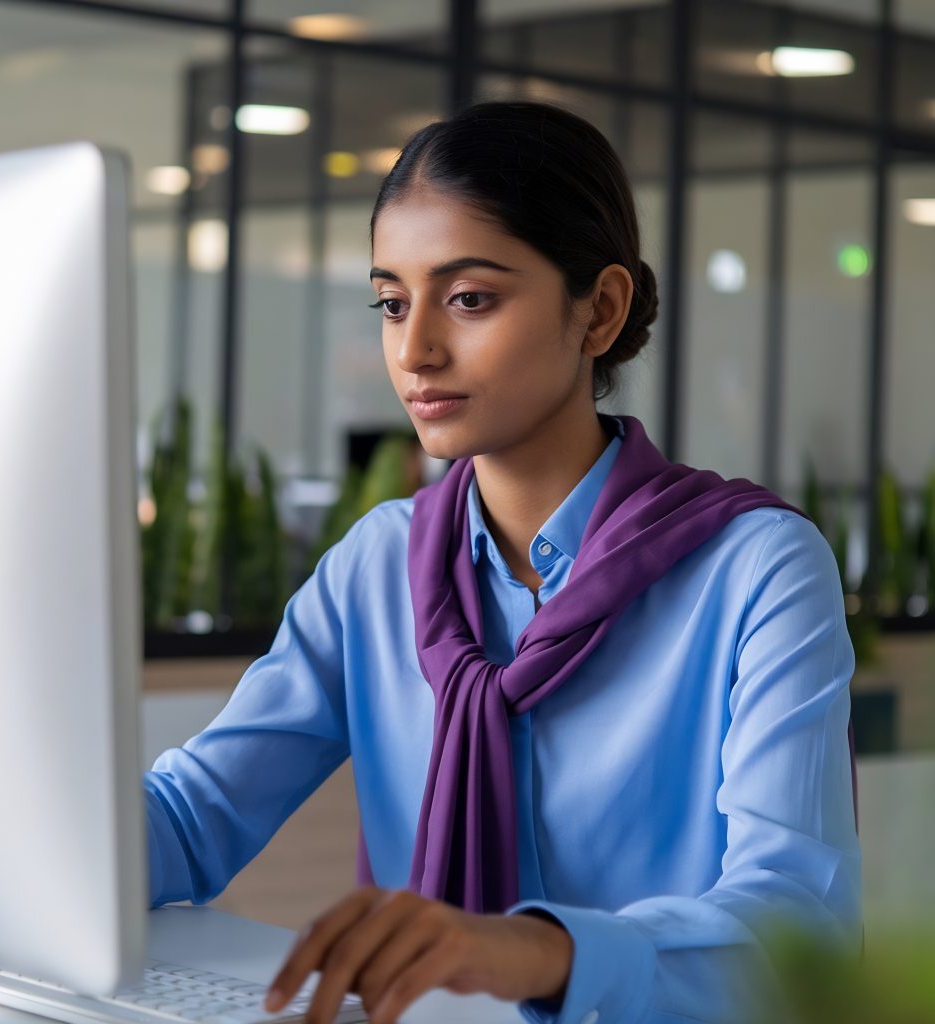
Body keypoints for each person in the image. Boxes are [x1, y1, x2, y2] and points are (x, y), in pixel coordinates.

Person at [143, 100, 862, 1024]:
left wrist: (533, 952)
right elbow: (196, 812)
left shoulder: (756, 569)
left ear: (598, 310)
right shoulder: (377, 566)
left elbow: (795, 927)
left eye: (469, 298)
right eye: (393, 303)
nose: (414, 351)